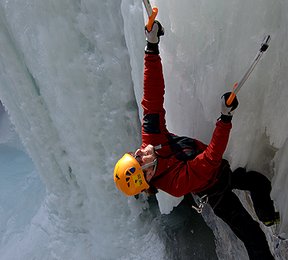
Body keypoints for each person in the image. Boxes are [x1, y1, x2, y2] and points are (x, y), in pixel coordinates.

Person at [113, 21, 279, 260]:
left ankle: (269, 217)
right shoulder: (174, 183)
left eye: (135, 155)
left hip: (221, 172)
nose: (140, 152)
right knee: (253, 237)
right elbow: (209, 160)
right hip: (215, 190)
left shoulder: (152, 141)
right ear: (147, 175)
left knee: (259, 183)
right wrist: (225, 118)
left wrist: (151, 47)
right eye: (139, 160)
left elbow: (151, 97)